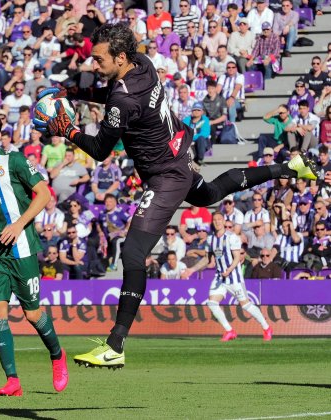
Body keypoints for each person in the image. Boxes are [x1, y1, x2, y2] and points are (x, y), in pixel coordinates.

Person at [33, 23, 316, 369]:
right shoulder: (144, 63)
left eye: (98, 59)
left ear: (120, 57)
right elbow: (112, 94)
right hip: (177, 155)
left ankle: (115, 345)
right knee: (210, 192)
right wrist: (72, 91)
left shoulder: (122, 99)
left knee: (133, 253)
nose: (93, 64)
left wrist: (67, 129)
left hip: (165, 175)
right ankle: (290, 167)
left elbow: (99, 150)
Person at [0, 110, 68, 396]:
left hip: (22, 250)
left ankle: (57, 355)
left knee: (33, 315)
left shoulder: (15, 161)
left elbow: (44, 194)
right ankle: (13, 380)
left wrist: (19, 224)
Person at [183, 212, 273, 341]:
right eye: (215, 220)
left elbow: (237, 257)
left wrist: (229, 270)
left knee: (245, 305)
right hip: (220, 276)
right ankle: (229, 331)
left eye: (220, 219)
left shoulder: (232, 237)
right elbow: (207, 259)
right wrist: (192, 269)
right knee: (212, 302)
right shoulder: (211, 239)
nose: (217, 221)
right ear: (212, 222)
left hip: (233, 277)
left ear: (224, 221)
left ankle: (266, 328)